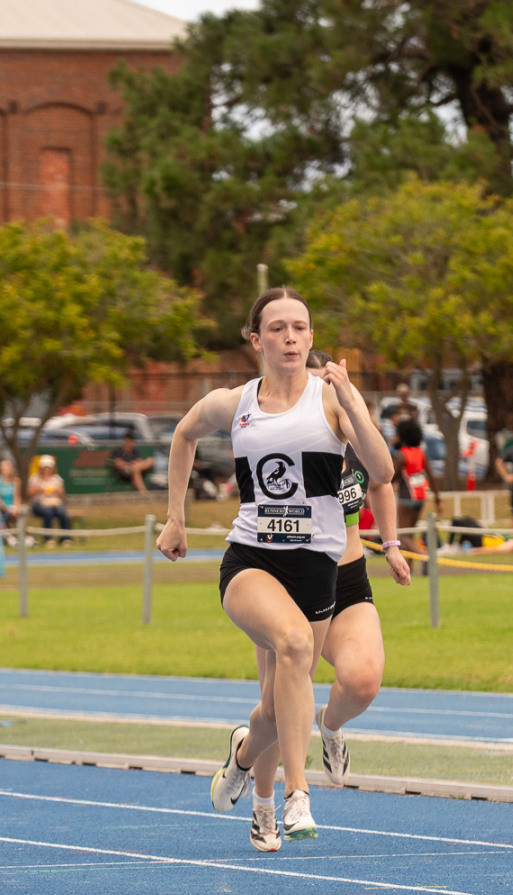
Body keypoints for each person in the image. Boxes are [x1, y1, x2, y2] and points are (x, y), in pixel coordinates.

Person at [157, 288, 391, 852]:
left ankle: (242, 756)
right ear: (256, 340)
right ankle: (295, 794)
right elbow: (184, 434)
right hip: (251, 560)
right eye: (278, 328)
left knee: (275, 704)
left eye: (300, 327)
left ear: (311, 338)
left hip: (316, 567)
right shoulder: (233, 402)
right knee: (293, 643)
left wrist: (353, 402)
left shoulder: (331, 401)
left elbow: (382, 472)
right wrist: (175, 518)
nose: (291, 337)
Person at [306, 351, 412, 784]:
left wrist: (391, 545)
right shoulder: (282, 440)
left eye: (328, 385)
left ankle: (329, 725)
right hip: (294, 581)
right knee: (277, 707)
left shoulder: (352, 433)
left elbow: (383, 480)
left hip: (348, 578)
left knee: (363, 681)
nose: (320, 395)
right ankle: (256, 771)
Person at [393, 419, 434, 556]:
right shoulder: (421, 453)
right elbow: (431, 477)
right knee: (410, 536)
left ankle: (424, 558)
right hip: (420, 497)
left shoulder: (402, 454)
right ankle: (409, 566)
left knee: (404, 536)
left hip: (406, 497)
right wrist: (438, 499)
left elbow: (393, 477)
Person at [29, 454, 73, 544]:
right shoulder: (34, 478)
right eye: (45, 467)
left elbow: (62, 493)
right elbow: (29, 493)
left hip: (54, 503)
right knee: (48, 512)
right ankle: (48, 538)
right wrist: (39, 489)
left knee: (62, 512)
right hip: (39, 504)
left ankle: (66, 538)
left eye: (48, 467)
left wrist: (56, 489)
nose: (47, 469)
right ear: (41, 468)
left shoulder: (56, 478)